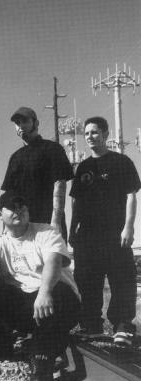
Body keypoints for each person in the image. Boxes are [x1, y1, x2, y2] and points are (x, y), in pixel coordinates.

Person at [0, 191, 80, 381]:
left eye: (22, 207)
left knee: (59, 291)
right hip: (28, 307)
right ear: (0, 215)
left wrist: (44, 292)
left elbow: (54, 262)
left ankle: (42, 363)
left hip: (58, 302)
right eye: (12, 207)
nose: (18, 211)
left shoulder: (46, 232)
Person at [69, 116, 140, 346]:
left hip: (115, 232)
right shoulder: (83, 168)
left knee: (122, 279)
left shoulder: (121, 162)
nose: (90, 137)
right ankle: (92, 325)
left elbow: (131, 196)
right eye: (87, 133)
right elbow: (76, 202)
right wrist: (72, 230)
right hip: (87, 235)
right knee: (87, 281)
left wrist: (129, 226)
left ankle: (123, 326)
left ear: (106, 134)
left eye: (95, 132)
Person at [1, 107, 73, 239]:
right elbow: (8, 196)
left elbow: (60, 185)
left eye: (25, 121)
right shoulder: (15, 157)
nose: (21, 126)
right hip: (22, 228)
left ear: (36, 123)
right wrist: (6, 228)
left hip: (48, 225)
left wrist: (56, 222)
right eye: (17, 123)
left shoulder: (52, 148)